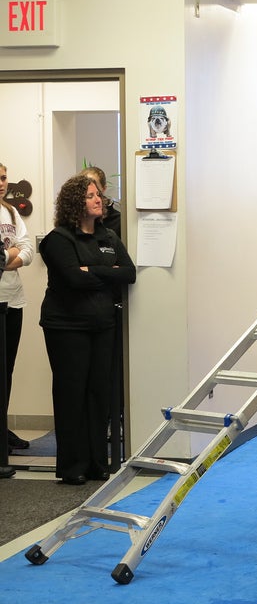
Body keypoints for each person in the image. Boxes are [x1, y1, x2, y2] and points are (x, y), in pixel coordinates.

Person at [40, 174, 136, 485]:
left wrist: (92, 270)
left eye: (98, 195)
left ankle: (97, 463)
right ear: (75, 203)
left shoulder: (107, 236)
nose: (99, 200)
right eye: (91, 195)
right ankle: (72, 467)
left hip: (102, 324)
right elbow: (73, 280)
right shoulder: (58, 239)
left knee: (99, 394)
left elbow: (130, 274)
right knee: (72, 394)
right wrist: (108, 273)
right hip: (66, 327)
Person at [0, 161, 36, 454]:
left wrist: (8, 258)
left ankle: (2, 428)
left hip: (14, 298)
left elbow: (28, 249)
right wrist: (10, 254)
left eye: (3, 178)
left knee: (7, 368)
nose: (1, 183)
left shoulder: (10, 211)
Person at [81, 165, 121, 239]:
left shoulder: (117, 221)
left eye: (96, 191)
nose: (90, 189)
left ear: (103, 188)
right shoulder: (74, 219)